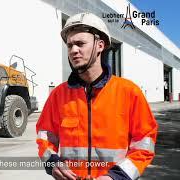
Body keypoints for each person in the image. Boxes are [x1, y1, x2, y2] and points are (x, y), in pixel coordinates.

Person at [36, 12, 158, 180]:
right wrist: (52, 162)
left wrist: (116, 176)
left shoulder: (129, 92)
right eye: (70, 45)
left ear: (100, 45)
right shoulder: (58, 95)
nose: (73, 50)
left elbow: (145, 144)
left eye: (80, 43)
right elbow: (45, 137)